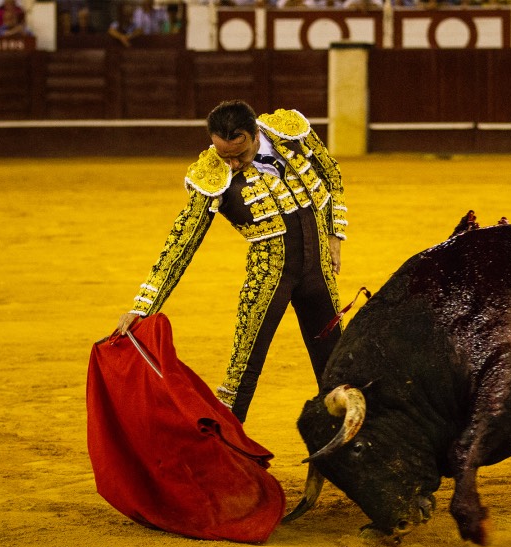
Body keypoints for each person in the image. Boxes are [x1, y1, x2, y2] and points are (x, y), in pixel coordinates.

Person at [115, 100, 348, 424]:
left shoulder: (290, 132)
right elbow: (182, 242)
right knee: (242, 374)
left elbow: (332, 175)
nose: (234, 163)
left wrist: (335, 233)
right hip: (270, 276)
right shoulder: (212, 175)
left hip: (318, 271)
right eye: (225, 156)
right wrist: (144, 306)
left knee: (337, 367)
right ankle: (223, 460)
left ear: (255, 134)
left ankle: (351, 452)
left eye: (240, 154)